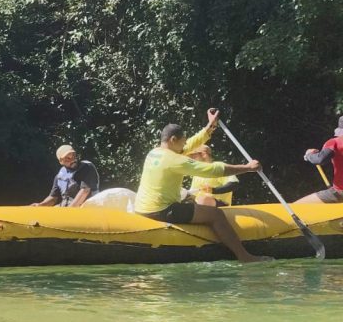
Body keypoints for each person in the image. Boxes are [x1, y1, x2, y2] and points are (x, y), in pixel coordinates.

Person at [134, 108, 268, 262]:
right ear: (173, 139)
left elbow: (190, 145)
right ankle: (244, 256)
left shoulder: (153, 153)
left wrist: (210, 127)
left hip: (142, 208)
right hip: (161, 210)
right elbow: (213, 170)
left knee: (191, 200)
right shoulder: (176, 160)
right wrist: (247, 168)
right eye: (183, 141)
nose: (185, 144)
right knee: (216, 215)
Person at [31, 145, 100, 207]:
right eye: (68, 158)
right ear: (61, 161)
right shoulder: (59, 176)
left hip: (86, 207)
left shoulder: (87, 167)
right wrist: (41, 205)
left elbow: (85, 191)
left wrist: (69, 211)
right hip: (67, 207)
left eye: (74, 156)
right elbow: (53, 198)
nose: (73, 160)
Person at [295, 115, 343, 204]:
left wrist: (309, 155)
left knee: (296, 206)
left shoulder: (334, 142)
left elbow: (319, 159)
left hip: (339, 193)